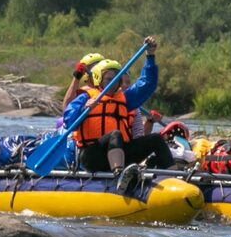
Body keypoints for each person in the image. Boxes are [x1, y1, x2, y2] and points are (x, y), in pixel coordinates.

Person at [62, 37, 172, 195]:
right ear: (99, 79)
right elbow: (68, 121)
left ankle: (175, 177)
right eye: (110, 79)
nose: (115, 82)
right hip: (92, 157)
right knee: (115, 134)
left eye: (117, 79)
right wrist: (83, 109)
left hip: (121, 153)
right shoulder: (85, 97)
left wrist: (150, 55)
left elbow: (147, 84)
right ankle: (119, 176)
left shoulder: (125, 99)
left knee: (155, 139)